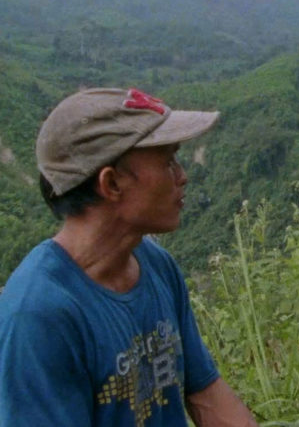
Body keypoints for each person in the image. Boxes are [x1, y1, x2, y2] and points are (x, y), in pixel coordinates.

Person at [0, 88, 258, 426]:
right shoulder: (38, 315)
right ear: (112, 184)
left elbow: (206, 396)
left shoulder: (156, 265)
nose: (182, 176)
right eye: (167, 162)